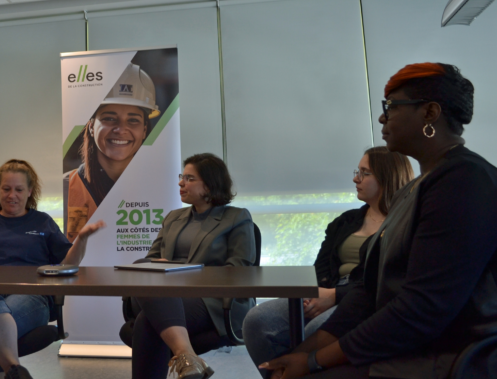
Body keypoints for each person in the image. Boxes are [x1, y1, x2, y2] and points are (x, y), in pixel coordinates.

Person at [261, 63, 497, 379]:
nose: (382, 118)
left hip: (448, 356)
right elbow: (367, 291)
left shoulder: (464, 180)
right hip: (409, 346)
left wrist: (315, 361)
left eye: (392, 107)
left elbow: (422, 309)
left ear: (429, 113)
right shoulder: (413, 190)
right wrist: (304, 354)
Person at [242, 146, 413, 373]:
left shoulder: (403, 224)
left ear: (386, 177)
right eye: (357, 171)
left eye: (364, 173)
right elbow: (321, 266)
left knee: (314, 330)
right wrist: (315, 295)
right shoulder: (346, 220)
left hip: (363, 299)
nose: (355, 179)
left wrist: (334, 296)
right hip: (327, 289)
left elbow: (380, 281)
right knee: (257, 320)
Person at [0, 159, 104, 379]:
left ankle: (14, 372)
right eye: (6, 189)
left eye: (19, 189)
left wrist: (81, 239)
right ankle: (14, 370)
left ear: (29, 192)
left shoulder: (43, 222)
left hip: (30, 296)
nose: (12, 195)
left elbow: (68, 265)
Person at [126, 153, 256, 379]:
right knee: (141, 265)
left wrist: (178, 270)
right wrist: (163, 267)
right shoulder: (173, 218)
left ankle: (185, 356)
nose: (180, 183)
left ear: (210, 184)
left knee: (146, 322)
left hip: (212, 299)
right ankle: (187, 355)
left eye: (189, 178)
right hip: (165, 296)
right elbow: (151, 260)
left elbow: (238, 269)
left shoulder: (236, 217)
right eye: (181, 177)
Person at [64, 62, 160, 241]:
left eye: (133, 120)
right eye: (109, 118)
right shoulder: (66, 188)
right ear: (91, 127)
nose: (121, 129)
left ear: (144, 130)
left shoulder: (163, 188)